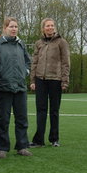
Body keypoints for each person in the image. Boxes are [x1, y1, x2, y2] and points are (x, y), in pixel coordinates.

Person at [0, 17, 32, 158]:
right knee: (3, 119)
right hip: (3, 87)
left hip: (20, 87)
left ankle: (22, 146)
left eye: (16, 26)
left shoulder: (21, 44)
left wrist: (25, 72)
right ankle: (2, 148)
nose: (14, 29)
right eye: (11, 26)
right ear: (5, 28)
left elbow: (28, 61)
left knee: (22, 119)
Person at [29, 18, 70, 148]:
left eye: (52, 25)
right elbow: (34, 62)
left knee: (54, 110)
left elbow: (66, 62)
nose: (50, 28)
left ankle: (54, 139)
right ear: (43, 28)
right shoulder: (38, 43)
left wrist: (65, 80)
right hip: (40, 80)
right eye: (47, 26)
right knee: (41, 110)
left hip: (56, 80)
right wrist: (33, 80)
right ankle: (38, 140)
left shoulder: (61, 42)